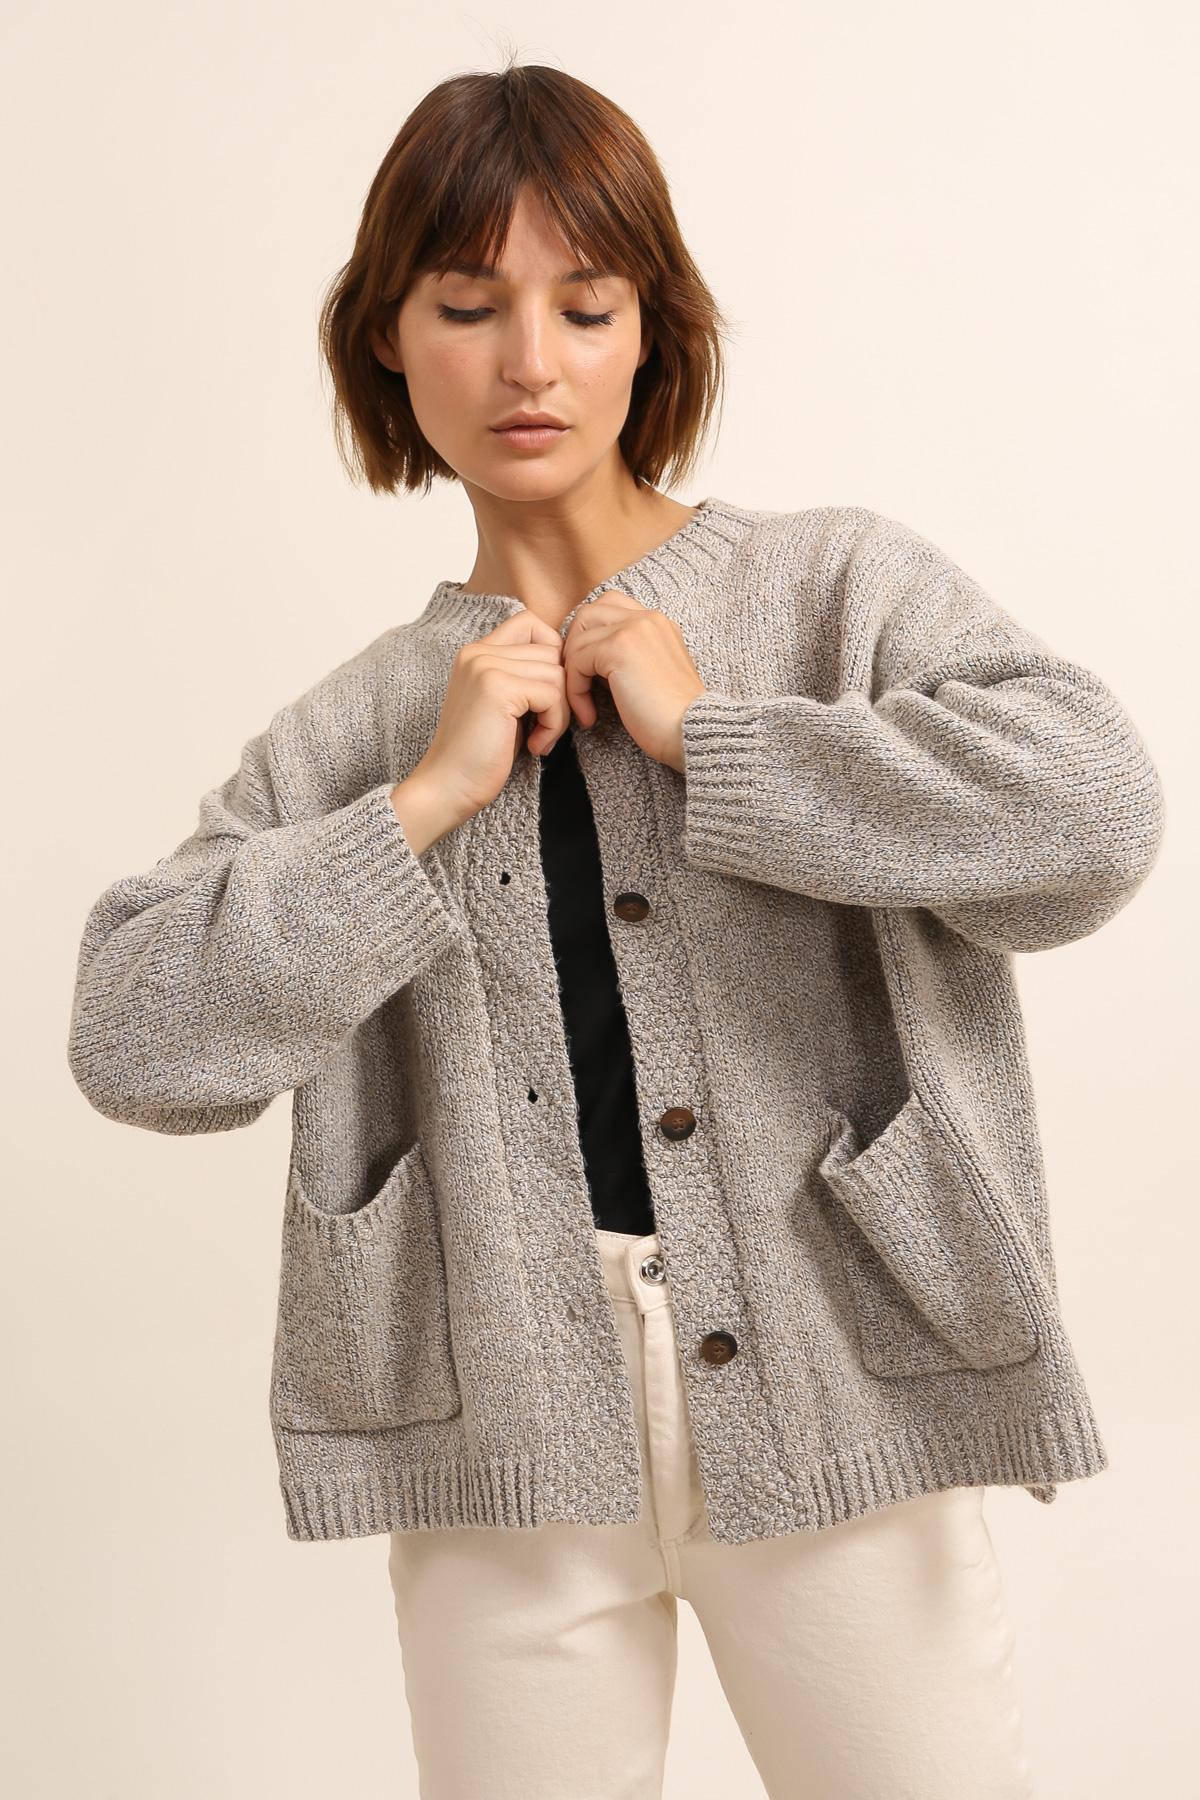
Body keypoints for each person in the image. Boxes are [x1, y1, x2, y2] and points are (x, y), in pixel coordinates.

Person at [67, 59, 1165, 1800]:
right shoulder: (366, 727)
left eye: (584, 307)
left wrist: (716, 739)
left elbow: (1095, 815)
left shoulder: (830, 590)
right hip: (510, 1423)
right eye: (466, 306)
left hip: (835, 1377)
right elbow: (133, 1039)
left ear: (652, 332)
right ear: (385, 340)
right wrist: (416, 807)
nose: (530, 363)